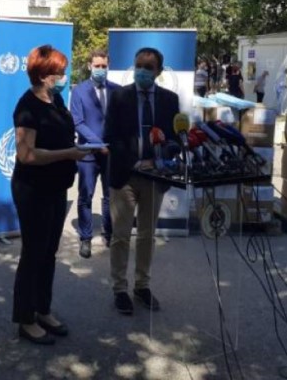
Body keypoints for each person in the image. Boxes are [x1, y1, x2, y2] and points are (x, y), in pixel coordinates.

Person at [11, 44, 95, 345]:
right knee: (33, 253)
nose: (64, 76)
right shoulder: (27, 107)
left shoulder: (56, 100)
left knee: (48, 252)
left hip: (57, 187)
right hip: (33, 189)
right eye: (60, 72)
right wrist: (68, 154)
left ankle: (42, 309)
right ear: (44, 75)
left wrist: (78, 148)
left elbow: (62, 137)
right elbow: (27, 155)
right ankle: (25, 319)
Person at [104, 47, 180, 315]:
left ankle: (142, 286)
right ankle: (119, 289)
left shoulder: (170, 99)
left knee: (147, 235)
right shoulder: (119, 97)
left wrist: (160, 159)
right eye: (139, 66)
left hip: (154, 177)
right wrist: (135, 162)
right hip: (124, 176)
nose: (142, 71)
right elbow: (110, 136)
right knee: (121, 236)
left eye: (148, 67)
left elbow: (174, 139)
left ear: (158, 71)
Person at [69, 50, 120, 258]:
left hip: (110, 153)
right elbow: (78, 122)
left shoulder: (117, 91)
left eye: (104, 66)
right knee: (85, 196)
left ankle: (109, 234)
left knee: (110, 196)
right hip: (88, 153)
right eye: (97, 66)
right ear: (90, 66)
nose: (100, 69)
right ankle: (85, 238)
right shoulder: (79, 91)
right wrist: (98, 144)